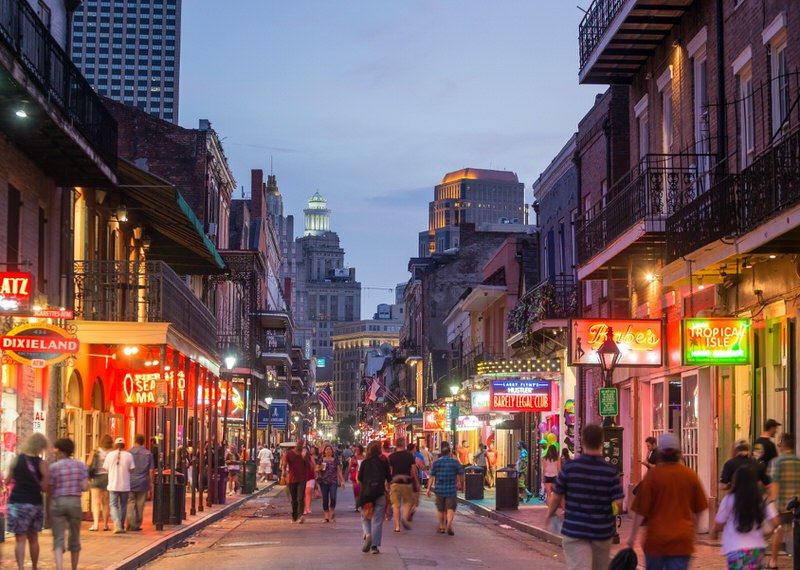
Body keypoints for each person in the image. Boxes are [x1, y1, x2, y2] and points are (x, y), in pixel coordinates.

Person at [544, 425, 623, 570]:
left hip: (576, 530)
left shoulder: (570, 468)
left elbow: (556, 496)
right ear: (601, 441)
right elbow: (618, 502)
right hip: (602, 532)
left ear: (582, 441)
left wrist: (549, 515)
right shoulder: (610, 471)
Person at [628, 432, 709, 570]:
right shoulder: (690, 476)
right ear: (678, 453)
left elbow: (640, 511)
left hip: (655, 541)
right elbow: (700, 509)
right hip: (682, 541)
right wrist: (694, 533)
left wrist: (632, 537)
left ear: (661, 453)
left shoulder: (653, 476)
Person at [714, 465, 778, 570]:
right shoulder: (760, 500)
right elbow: (775, 522)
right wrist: (766, 533)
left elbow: (718, 524)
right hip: (757, 550)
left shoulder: (729, 499)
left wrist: (717, 530)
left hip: (735, 550)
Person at [5, 433, 49, 570]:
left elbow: (6, 480)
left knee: (20, 539)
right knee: (34, 538)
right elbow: (45, 487)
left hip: (17, 502)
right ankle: (34, 567)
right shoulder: (42, 464)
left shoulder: (16, 460)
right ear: (41, 447)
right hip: (35, 503)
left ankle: (20, 567)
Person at [48, 438, 89, 570]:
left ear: (60, 451)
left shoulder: (54, 467)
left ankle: (59, 567)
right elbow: (84, 487)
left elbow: (50, 487)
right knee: (75, 536)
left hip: (58, 502)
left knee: (58, 537)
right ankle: (74, 568)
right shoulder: (80, 465)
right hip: (74, 502)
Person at [768, 432, 800, 569]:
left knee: (778, 531)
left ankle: (773, 562)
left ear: (783, 444)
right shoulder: (798, 461)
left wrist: (772, 504)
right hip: (797, 505)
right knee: (795, 532)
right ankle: (795, 558)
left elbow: (774, 484)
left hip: (782, 505)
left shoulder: (778, 462)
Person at [357, 441, 392, 554]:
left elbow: (360, 478)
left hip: (367, 494)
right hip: (380, 492)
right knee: (377, 520)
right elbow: (389, 477)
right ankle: (374, 547)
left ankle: (368, 535)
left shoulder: (365, 462)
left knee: (365, 516)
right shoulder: (383, 461)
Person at [427, 441, 465, 536]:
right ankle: (448, 524)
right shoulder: (455, 462)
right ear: (450, 453)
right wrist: (462, 486)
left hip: (439, 489)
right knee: (450, 508)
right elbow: (461, 475)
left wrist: (428, 488)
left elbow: (431, 476)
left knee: (440, 509)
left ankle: (441, 526)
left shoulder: (436, 463)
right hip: (451, 489)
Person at [103, 437, 135, 534]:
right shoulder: (129, 455)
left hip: (113, 484)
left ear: (115, 445)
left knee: (113, 505)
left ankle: (116, 523)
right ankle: (121, 525)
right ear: (124, 445)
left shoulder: (110, 455)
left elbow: (105, 468)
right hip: (125, 485)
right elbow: (132, 469)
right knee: (123, 505)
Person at [388, 437, 418, 532]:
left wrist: (387, 483)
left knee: (395, 505)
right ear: (404, 444)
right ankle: (404, 518)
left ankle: (397, 526)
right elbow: (414, 470)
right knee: (407, 503)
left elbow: (390, 471)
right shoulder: (409, 456)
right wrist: (416, 481)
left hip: (395, 483)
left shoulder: (391, 457)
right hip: (407, 482)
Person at [126, 434, 153, 532]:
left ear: (135, 441)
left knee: (130, 502)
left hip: (130, 481)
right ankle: (136, 524)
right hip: (143, 481)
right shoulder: (148, 454)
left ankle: (130, 523)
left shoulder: (129, 453)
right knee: (140, 504)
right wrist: (151, 485)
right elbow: (151, 471)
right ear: (143, 442)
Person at [87, 434, 113, 531]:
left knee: (96, 502)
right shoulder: (112, 453)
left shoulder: (96, 451)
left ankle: (96, 524)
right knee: (106, 503)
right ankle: (106, 525)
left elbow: (88, 463)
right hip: (107, 478)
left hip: (96, 477)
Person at [318, 444, 345, 522]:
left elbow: (339, 471)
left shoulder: (335, 459)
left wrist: (342, 481)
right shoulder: (321, 459)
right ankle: (326, 516)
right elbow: (316, 469)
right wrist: (319, 468)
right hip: (323, 481)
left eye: (330, 449)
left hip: (333, 481)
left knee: (333, 498)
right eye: (327, 449)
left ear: (332, 451)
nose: (328, 451)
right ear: (324, 451)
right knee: (325, 499)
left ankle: (332, 511)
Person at [283, 440, 308, 523]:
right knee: (294, 499)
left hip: (302, 478)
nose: (300, 446)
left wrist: (304, 458)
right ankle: (294, 516)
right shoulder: (289, 453)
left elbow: (308, 466)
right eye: (298, 444)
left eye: (301, 444)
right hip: (292, 479)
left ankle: (300, 516)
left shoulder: (304, 453)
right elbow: (284, 463)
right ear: (296, 444)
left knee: (300, 498)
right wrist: (283, 471)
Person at [349, 445, 365, 509]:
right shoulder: (354, 458)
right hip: (355, 475)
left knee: (361, 490)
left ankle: (359, 503)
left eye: (358, 450)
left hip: (362, 475)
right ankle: (357, 504)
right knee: (356, 490)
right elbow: (350, 466)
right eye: (356, 450)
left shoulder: (364, 457)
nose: (357, 451)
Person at [304, 446, 317, 515]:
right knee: (303, 494)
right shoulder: (299, 458)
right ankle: (304, 508)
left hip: (310, 476)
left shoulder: (310, 458)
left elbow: (314, 466)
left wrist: (315, 474)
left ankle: (307, 507)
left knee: (308, 492)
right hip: (302, 477)